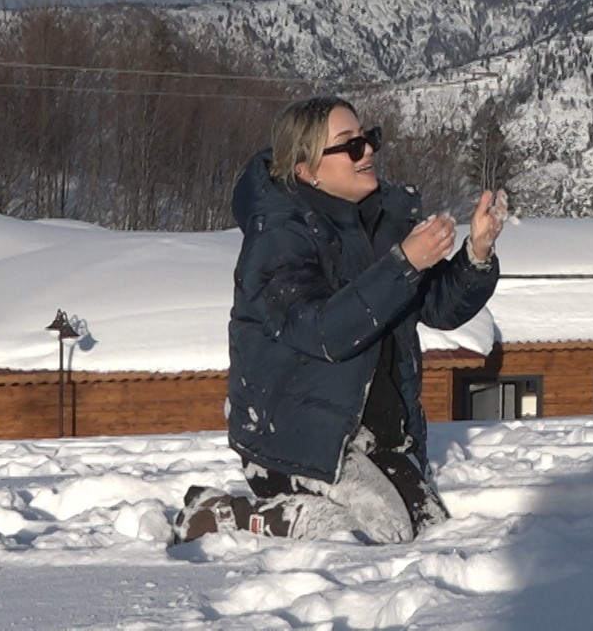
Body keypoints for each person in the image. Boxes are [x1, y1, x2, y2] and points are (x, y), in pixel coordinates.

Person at [173, 96, 507, 543]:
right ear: (307, 169)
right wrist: (404, 263)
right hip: (298, 438)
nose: (367, 151)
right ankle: (220, 514)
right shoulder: (277, 238)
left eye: (368, 139)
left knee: (429, 532)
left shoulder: (383, 221)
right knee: (365, 535)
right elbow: (323, 330)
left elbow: (437, 308)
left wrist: (477, 253)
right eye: (349, 146)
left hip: (381, 433)